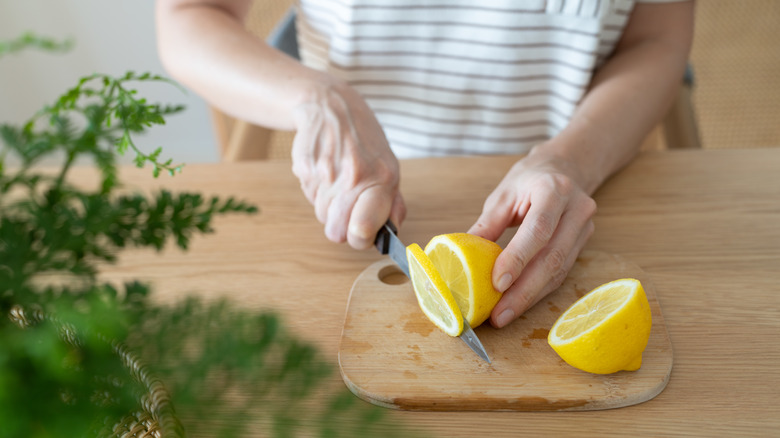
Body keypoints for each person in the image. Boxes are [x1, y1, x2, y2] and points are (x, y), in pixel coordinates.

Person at [155, 0, 694, 328]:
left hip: (580, 192)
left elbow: (656, 39)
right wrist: (315, 99)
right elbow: (189, 17)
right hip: (349, 202)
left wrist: (571, 161)